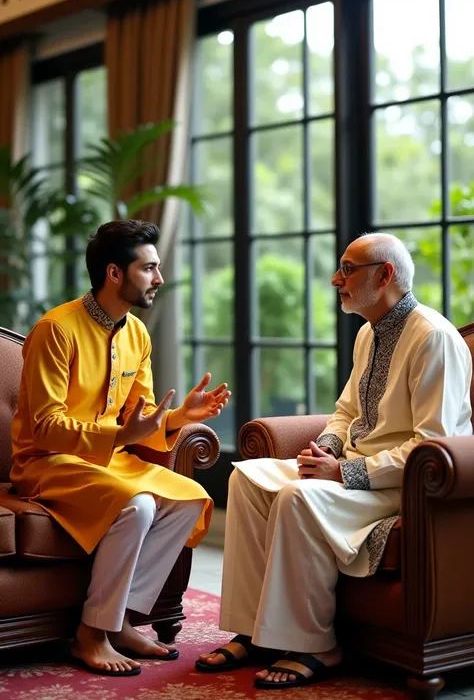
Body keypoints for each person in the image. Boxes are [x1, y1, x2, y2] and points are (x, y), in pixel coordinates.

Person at [196, 232, 472, 690]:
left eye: (348, 269)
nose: (335, 279)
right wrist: (326, 446)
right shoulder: (369, 332)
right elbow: (346, 412)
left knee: (296, 498)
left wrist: (344, 471)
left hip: (404, 486)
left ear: (385, 275)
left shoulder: (433, 338)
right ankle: (253, 631)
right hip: (353, 469)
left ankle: (316, 644)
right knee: (245, 478)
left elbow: (433, 445)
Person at [10, 219, 230, 677]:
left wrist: (178, 419)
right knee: (139, 505)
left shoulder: (137, 335)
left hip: (111, 461)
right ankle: (91, 634)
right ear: (115, 273)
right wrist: (122, 437)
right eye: (149, 268)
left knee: (189, 500)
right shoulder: (56, 330)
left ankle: (125, 620)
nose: (159, 279)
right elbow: (46, 428)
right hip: (46, 462)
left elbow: (140, 419)